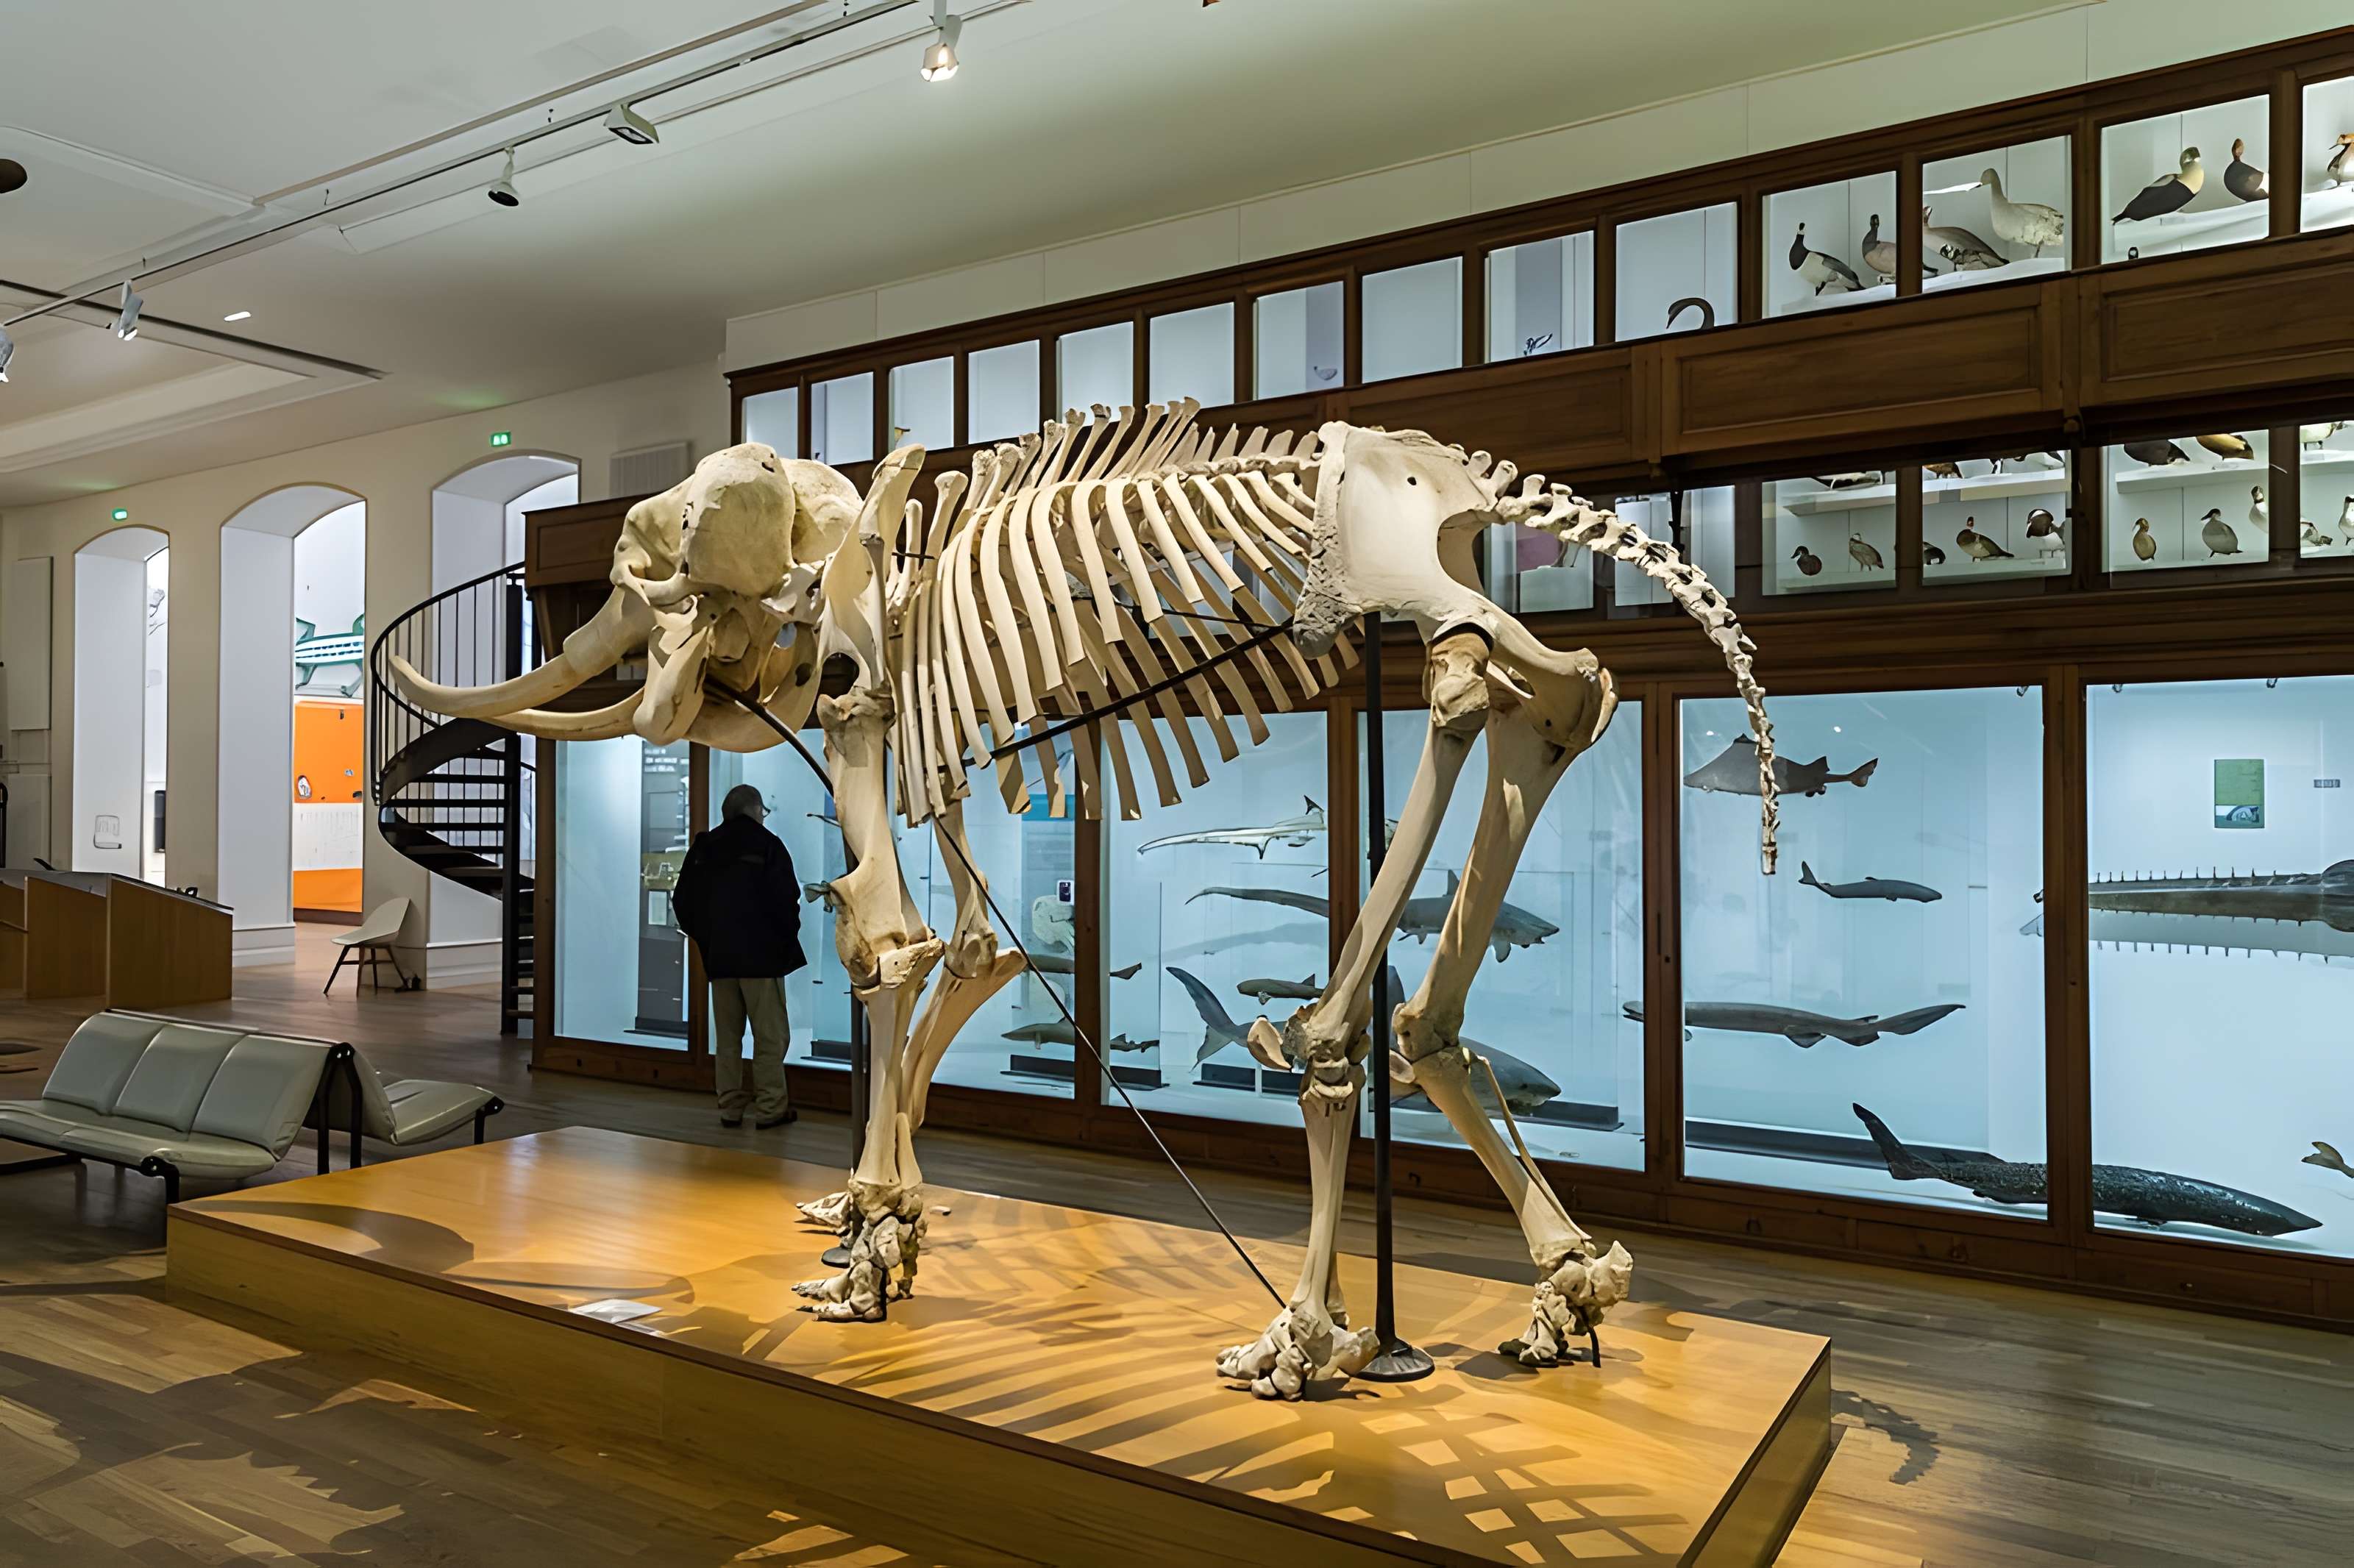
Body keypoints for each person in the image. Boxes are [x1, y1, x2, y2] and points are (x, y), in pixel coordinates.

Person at [672, 783, 807, 1128]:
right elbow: (786, 900)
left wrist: (707, 939)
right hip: (761, 960)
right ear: (755, 811)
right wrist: (781, 941)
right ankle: (770, 1109)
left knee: (728, 1039)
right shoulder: (768, 845)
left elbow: (683, 901)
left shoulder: (706, 846)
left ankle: (730, 1107)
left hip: (721, 960)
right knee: (770, 1037)